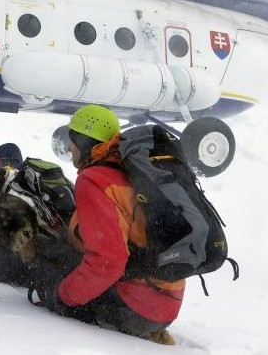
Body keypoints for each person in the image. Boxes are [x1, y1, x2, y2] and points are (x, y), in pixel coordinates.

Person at [30, 105, 184, 346]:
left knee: (45, 271)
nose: (69, 147)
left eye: (72, 139)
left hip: (136, 306)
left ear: (84, 140)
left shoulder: (95, 179)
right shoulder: (126, 168)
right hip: (164, 300)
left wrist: (63, 297)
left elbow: (108, 261)